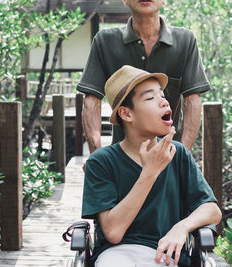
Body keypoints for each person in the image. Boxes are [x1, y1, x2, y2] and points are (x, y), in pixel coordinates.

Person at [81, 65, 221, 267]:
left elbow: (212, 210)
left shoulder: (178, 154)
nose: (163, 101)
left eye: (162, 95)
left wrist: (181, 228)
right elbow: (113, 232)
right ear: (126, 114)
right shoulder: (102, 162)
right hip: (116, 255)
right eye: (150, 98)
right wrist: (150, 172)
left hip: (167, 254)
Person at [76, 0, 211, 154]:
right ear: (125, 1)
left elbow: (193, 99)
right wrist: (96, 155)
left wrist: (182, 157)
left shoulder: (185, 41)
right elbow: (92, 100)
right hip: (121, 158)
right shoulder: (105, 41)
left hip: (170, 154)